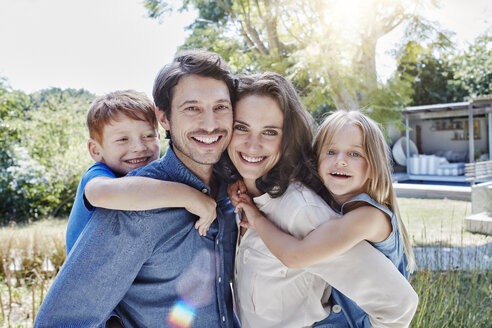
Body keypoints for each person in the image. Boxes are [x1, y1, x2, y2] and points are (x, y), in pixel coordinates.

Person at [34, 49, 238, 328]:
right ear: (164, 118)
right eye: (192, 108)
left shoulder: (234, 193)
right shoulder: (132, 206)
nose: (210, 123)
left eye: (220, 107)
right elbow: (60, 322)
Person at [218, 72, 418, 328]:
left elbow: (398, 305)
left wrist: (256, 218)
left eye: (269, 132)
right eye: (241, 127)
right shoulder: (240, 196)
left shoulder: (304, 210)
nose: (252, 144)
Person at [66, 90, 217, 254]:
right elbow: (101, 193)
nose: (139, 147)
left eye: (147, 136)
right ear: (95, 150)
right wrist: (192, 198)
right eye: (123, 139)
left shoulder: (157, 177)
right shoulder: (98, 174)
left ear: (159, 137)